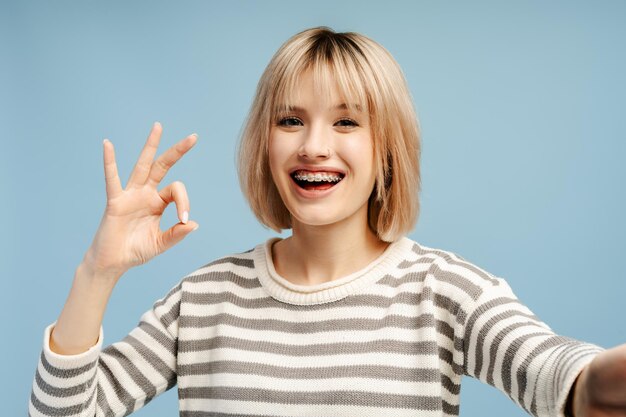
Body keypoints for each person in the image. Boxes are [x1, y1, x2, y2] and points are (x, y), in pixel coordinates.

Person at [28, 27, 626, 417]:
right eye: (290, 120)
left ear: (386, 148)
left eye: (346, 122)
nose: (313, 145)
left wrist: (602, 382)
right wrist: (97, 272)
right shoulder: (204, 300)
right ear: (264, 143)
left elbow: (568, 380)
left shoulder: (446, 292)